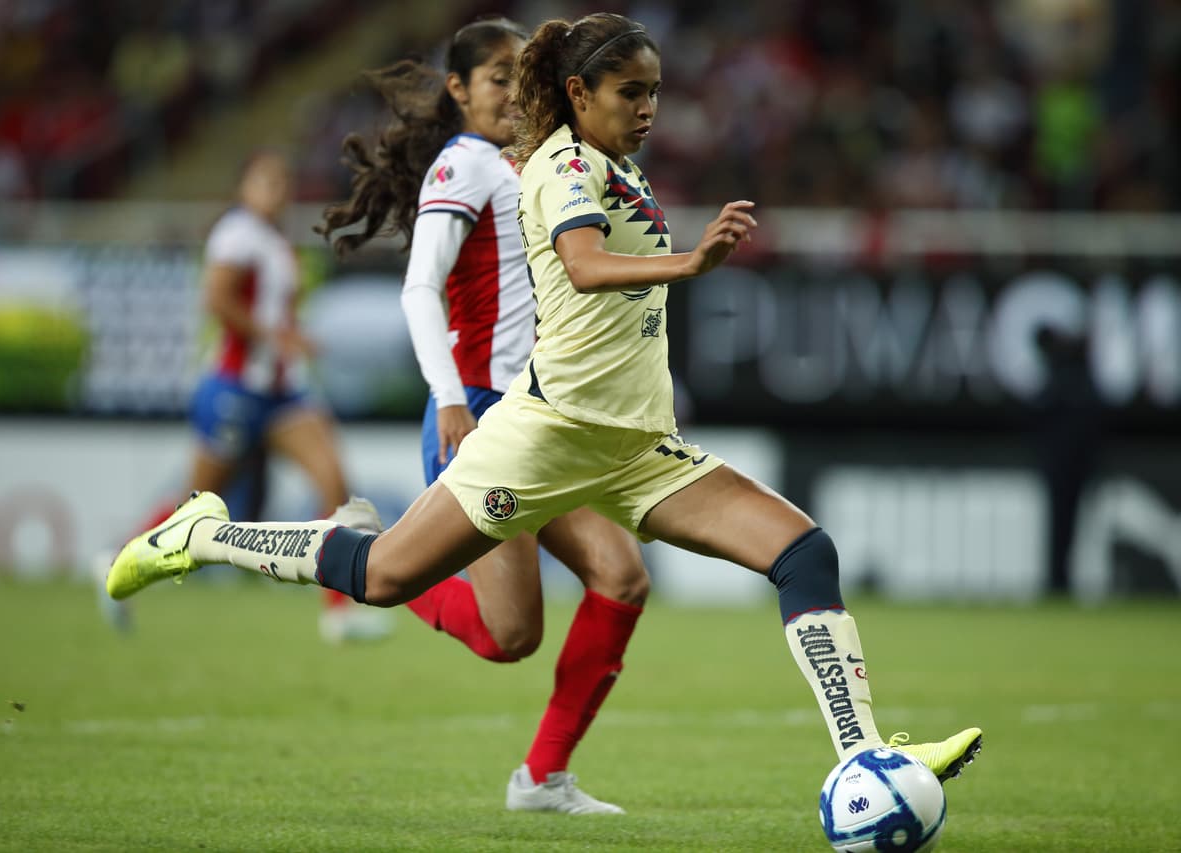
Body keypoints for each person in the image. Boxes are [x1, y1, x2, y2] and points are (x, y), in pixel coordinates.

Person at [106, 12, 982, 800]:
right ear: (578, 93)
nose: (648, 108)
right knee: (387, 578)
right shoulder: (560, 164)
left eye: (655, 93)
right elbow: (584, 264)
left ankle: (865, 755)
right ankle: (202, 536)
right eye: (630, 92)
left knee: (802, 552)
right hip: (541, 437)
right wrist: (691, 264)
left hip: (637, 446)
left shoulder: (610, 165)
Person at [318, 17, 649, 814]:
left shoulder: (533, 165)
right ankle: (355, 558)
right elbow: (418, 287)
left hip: (539, 417)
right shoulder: (463, 167)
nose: (509, 91)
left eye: (517, 76)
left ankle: (541, 778)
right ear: (460, 91)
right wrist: (452, 399)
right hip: (481, 416)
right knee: (510, 636)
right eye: (494, 78)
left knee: (621, 574)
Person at [99, 151, 392, 644]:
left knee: (333, 478)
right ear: (243, 187)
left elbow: (267, 311)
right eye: (267, 181)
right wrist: (274, 337)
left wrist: (292, 339)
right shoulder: (235, 234)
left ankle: (337, 613)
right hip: (236, 389)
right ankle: (115, 559)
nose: (278, 190)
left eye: (283, 181)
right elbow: (216, 299)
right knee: (193, 506)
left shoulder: (273, 240)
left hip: (282, 393)